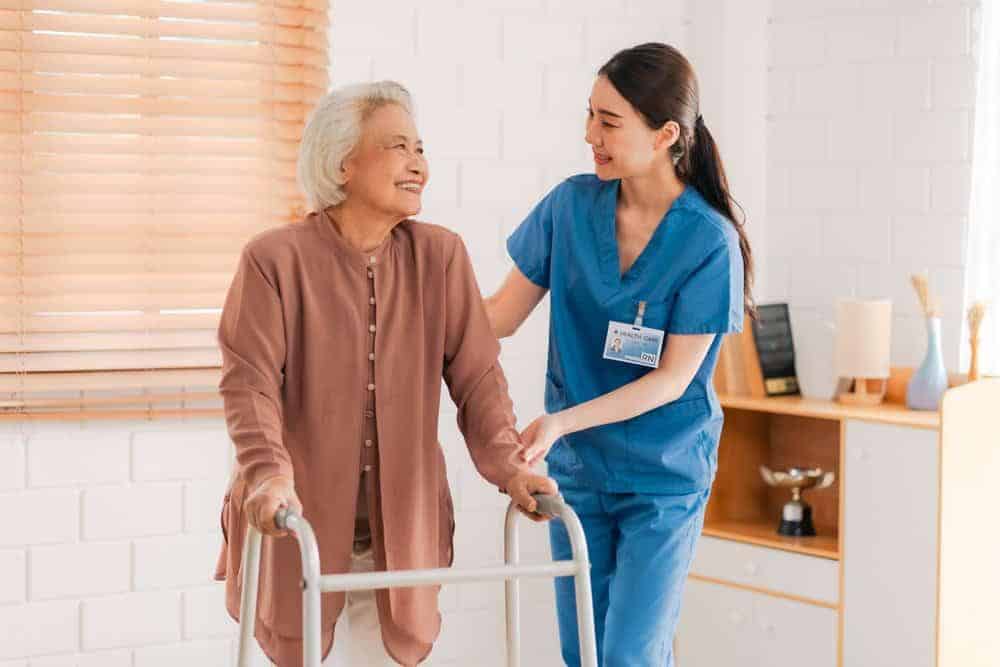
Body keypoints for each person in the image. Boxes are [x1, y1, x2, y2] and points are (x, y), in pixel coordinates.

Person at [213, 80, 558, 667]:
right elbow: (250, 387)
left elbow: (478, 380)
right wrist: (270, 475)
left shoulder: (441, 256)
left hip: (402, 535)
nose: (418, 164)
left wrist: (511, 467)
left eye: (420, 149)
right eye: (398, 147)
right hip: (293, 524)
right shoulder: (272, 260)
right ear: (343, 164)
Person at [484, 43, 755, 666]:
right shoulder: (570, 207)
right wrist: (408, 306)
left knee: (628, 656)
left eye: (608, 122)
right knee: (583, 653)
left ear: (665, 135)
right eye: (590, 116)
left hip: (663, 478)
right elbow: (497, 316)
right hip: (580, 474)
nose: (590, 136)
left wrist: (561, 421)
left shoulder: (708, 241)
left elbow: (670, 381)